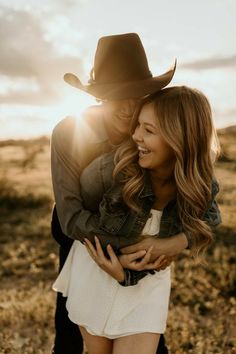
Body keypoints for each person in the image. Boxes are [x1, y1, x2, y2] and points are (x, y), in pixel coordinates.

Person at [52, 86, 221, 354]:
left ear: (180, 139)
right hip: (97, 271)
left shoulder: (198, 183)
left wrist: (177, 242)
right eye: (139, 126)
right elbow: (72, 218)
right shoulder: (110, 170)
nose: (135, 136)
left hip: (147, 287)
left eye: (148, 130)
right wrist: (117, 261)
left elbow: (211, 219)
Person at [51, 33, 189, 354]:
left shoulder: (153, 129)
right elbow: (71, 217)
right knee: (71, 327)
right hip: (80, 240)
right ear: (100, 95)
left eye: (137, 95)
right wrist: (133, 253)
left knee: (142, 326)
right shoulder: (70, 131)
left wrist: (165, 245)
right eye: (117, 95)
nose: (128, 107)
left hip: (140, 244)